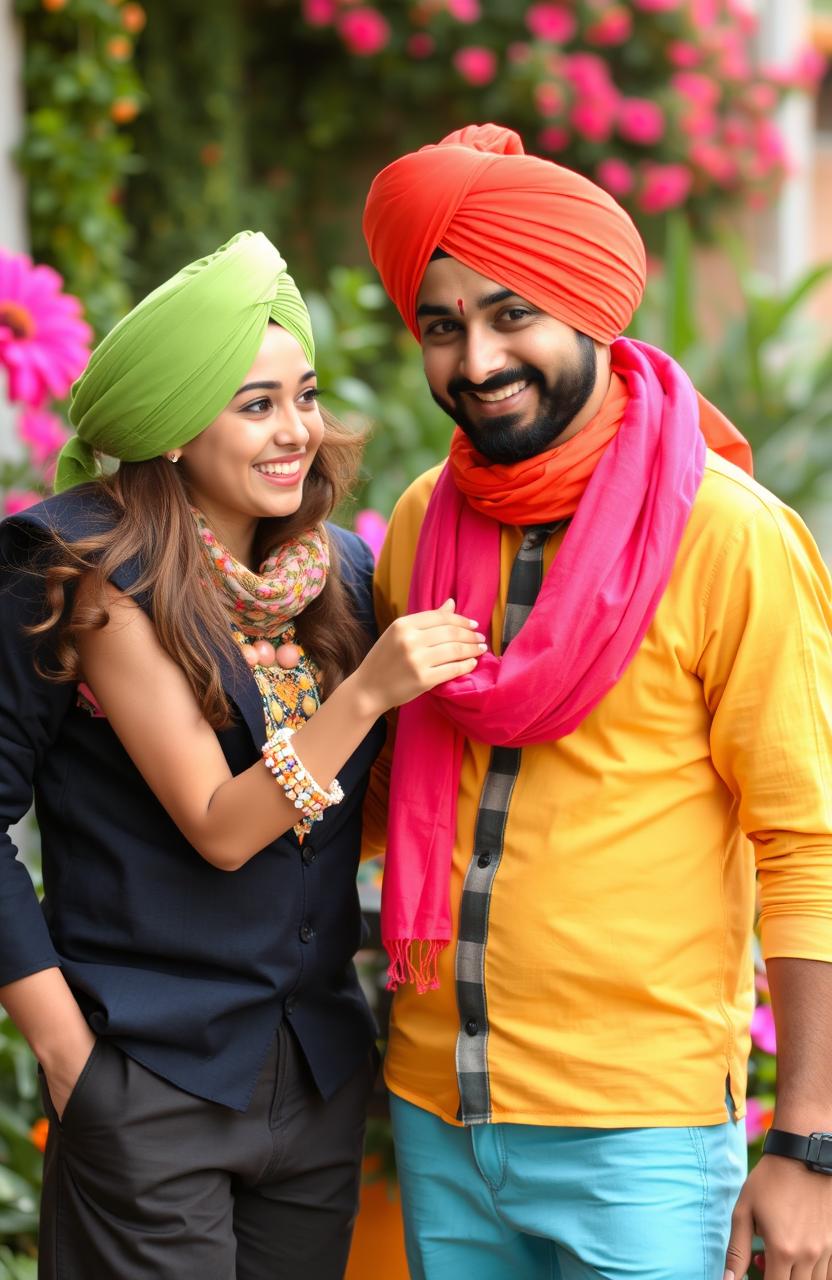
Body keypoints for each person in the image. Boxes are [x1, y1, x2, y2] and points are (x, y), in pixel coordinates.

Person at [360, 125, 832, 1280]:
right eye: (442, 324)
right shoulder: (426, 517)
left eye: (511, 313)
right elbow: (382, 790)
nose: (475, 359)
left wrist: (809, 1144)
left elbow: (806, 841)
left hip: (639, 1132)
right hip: (436, 1107)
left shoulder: (729, 535)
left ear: (588, 308)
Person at [0, 230, 485, 1280]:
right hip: (151, 1074)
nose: (295, 431)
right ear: (174, 427)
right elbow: (222, 826)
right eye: (254, 403)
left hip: (312, 1076)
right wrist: (64, 1051)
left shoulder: (340, 571)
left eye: (303, 397)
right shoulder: (93, 574)